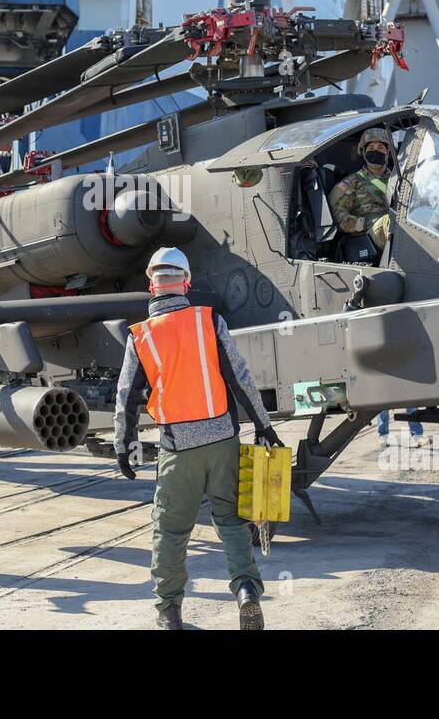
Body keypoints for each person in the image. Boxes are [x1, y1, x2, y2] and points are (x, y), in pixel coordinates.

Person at [114, 247, 282, 630]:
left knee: (171, 531)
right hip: (223, 440)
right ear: (186, 283)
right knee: (231, 521)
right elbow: (239, 376)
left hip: (178, 448)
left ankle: (169, 612)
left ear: (151, 286)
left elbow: (126, 396)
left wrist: (123, 445)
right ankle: (246, 593)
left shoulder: (140, 336)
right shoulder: (209, 320)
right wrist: (263, 425)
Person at [329, 127, 394, 253]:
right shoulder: (350, 183)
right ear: (364, 152)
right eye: (371, 148)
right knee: (394, 226)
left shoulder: (399, 180)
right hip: (368, 235)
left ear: (388, 152)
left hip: (397, 227)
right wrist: (365, 223)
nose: (376, 151)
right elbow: (337, 217)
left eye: (380, 148)